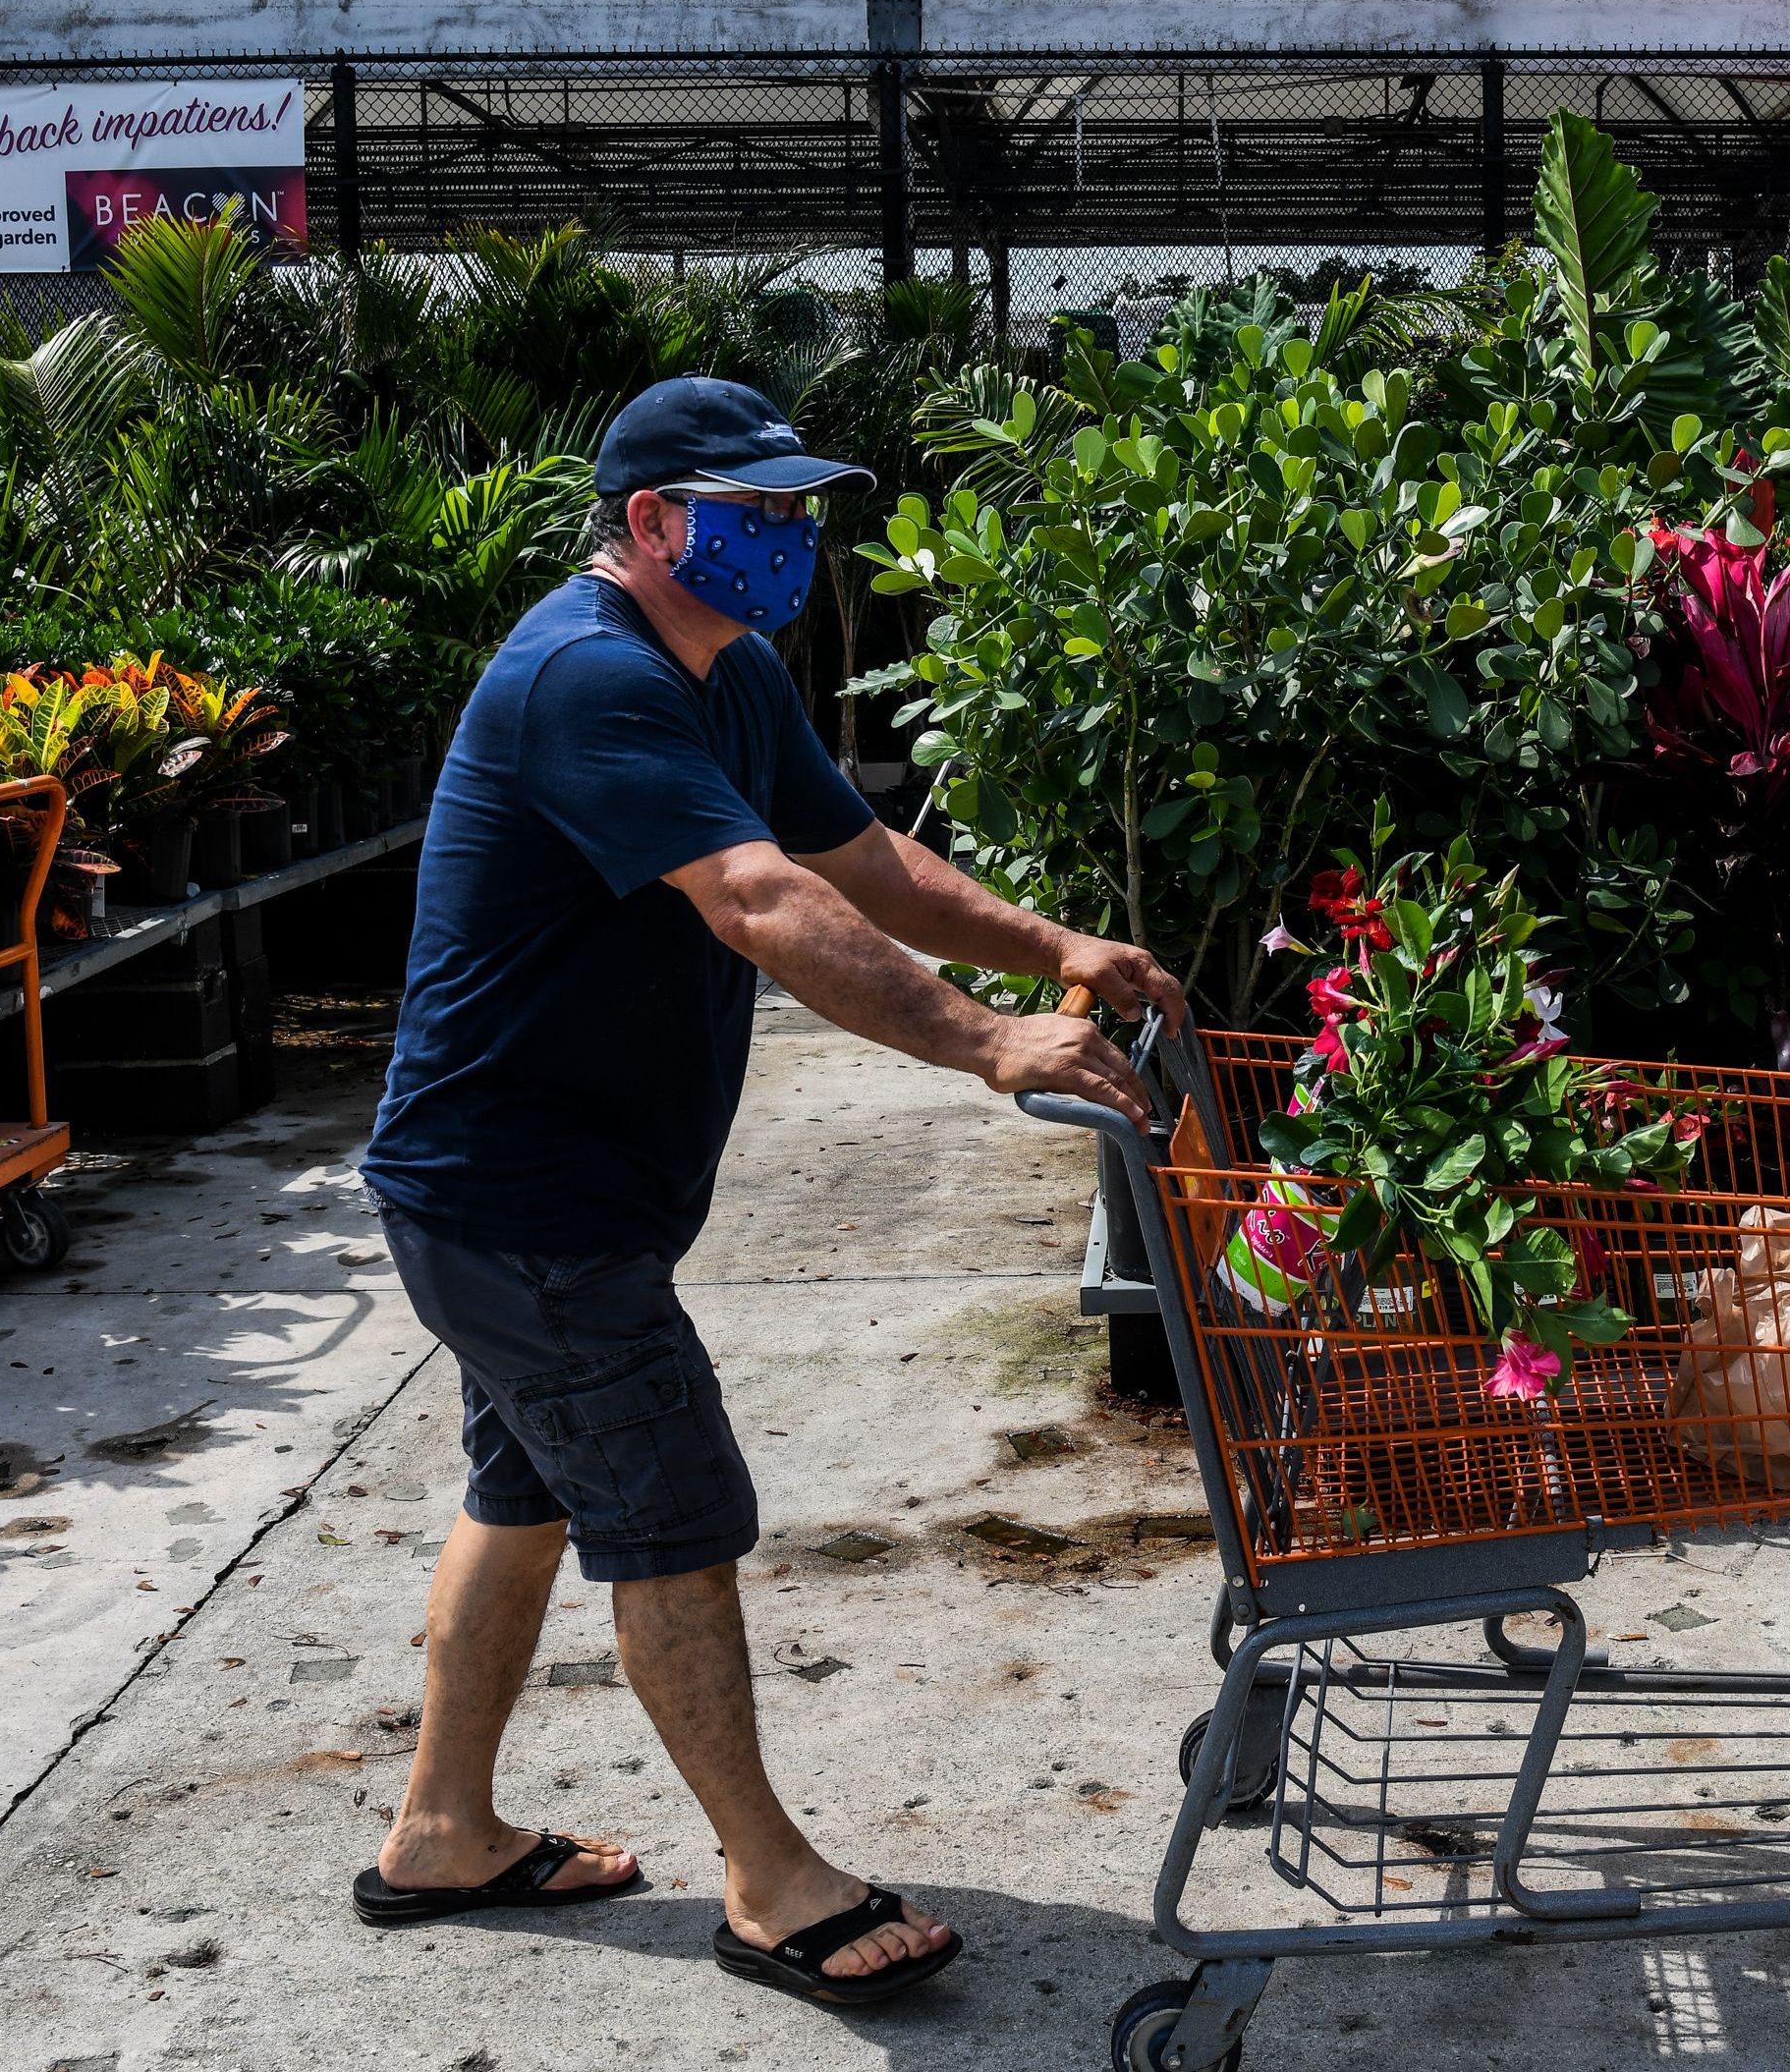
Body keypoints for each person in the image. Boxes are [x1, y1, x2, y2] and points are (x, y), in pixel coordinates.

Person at [350, 375, 1179, 2006]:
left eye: (800, 513)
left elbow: (852, 853)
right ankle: (771, 1878)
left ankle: (441, 1830)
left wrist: (1047, 949)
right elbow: (754, 896)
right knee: (671, 1510)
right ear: (654, 522)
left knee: (527, 1493)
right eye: (758, 513)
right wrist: (982, 1041)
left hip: (553, 1196)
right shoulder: (588, 679)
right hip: (523, 1206)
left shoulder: (719, 670)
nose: (790, 541)